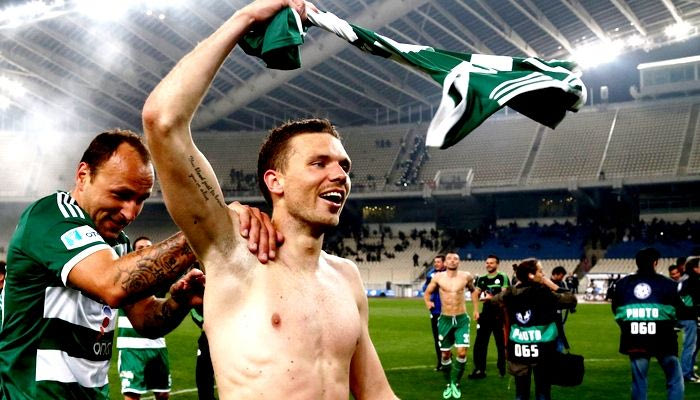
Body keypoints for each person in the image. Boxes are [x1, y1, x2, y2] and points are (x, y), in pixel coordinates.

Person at [141, 1, 397, 398]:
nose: (340, 176)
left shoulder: (347, 277)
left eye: (344, 166)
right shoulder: (231, 251)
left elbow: (376, 394)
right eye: (319, 163)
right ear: (274, 181)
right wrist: (244, 19)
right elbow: (162, 121)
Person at [0, 130, 275, 399]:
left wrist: (178, 302)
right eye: (121, 195)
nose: (130, 213)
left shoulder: (117, 242)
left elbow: (145, 320)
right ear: (83, 175)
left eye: (141, 199)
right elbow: (111, 284)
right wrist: (212, 227)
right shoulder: (50, 216)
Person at [488, 258, 577, 400]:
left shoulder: (511, 293)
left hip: (519, 350)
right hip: (543, 351)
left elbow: (493, 301)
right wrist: (552, 285)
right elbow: (571, 300)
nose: (543, 275)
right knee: (543, 393)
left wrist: (516, 286)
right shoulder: (545, 293)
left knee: (521, 394)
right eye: (540, 271)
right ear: (531, 275)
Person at [609, 247, 688, 400]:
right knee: (674, 378)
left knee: (639, 381)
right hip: (664, 338)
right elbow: (679, 311)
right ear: (655, 263)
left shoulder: (622, 284)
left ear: (637, 263)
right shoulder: (668, 284)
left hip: (635, 337)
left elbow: (616, 310)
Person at [117, 236, 172, 400]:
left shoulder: (160, 277)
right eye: (140, 247)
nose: (145, 249)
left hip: (157, 345)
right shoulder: (123, 277)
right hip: (131, 348)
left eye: (148, 246)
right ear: (133, 252)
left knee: (163, 394)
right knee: (132, 395)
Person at [423, 252, 476, 399]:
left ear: (459, 262)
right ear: (445, 262)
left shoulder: (466, 276)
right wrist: (427, 302)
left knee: (462, 353)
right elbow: (427, 292)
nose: (452, 261)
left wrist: (476, 309)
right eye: (449, 259)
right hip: (445, 319)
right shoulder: (437, 277)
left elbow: (473, 291)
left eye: (455, 259)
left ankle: (455, 382)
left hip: (461, 319)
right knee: (445, 354)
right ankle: (449, 382)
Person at [469, 254, 509, 379]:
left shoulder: (502, 277)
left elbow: (505, 295)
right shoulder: (482, 279)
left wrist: (491, 298)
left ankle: (502, 368)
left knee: (500, 343)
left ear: (497, 264)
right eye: (487, 263)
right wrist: (476, 310)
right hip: (485, 314)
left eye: (491, 263)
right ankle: (480, 369)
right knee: (480, 343)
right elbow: (475, 294)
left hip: (499, 315)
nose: (489, 265)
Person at [668, 262, 699, 383]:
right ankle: (686, 373)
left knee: (691, 345)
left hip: (680, 315)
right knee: (690, 346)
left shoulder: (683, 280)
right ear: (694, 268)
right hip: (689, 316)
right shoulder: (692, 280)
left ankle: (688, 370)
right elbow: (692, 299)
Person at [423, 254, 446, 371]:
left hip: (447, 310)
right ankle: (441, 362)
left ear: (444, 263)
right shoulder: (430, 274)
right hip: (435, 310)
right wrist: (428, 300)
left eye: (438, 262)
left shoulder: (448, 274)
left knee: (447, 337)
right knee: (437, 338)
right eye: (435, 262)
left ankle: (449, 358)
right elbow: (425, 288)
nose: (436, 264)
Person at [191, 305, 216, 400]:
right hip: (207, 340)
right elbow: (193, 311)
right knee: (203, 379)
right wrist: (204, 322)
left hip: (231, 339)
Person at [551, 266, 575, 353]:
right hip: (551, 316)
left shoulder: (562, 283)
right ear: (555, 274)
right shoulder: (548, 284)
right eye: (561, 276)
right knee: (554, 335)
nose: (562, 278)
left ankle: (559, 352)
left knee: (560, 334)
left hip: (560, 314)